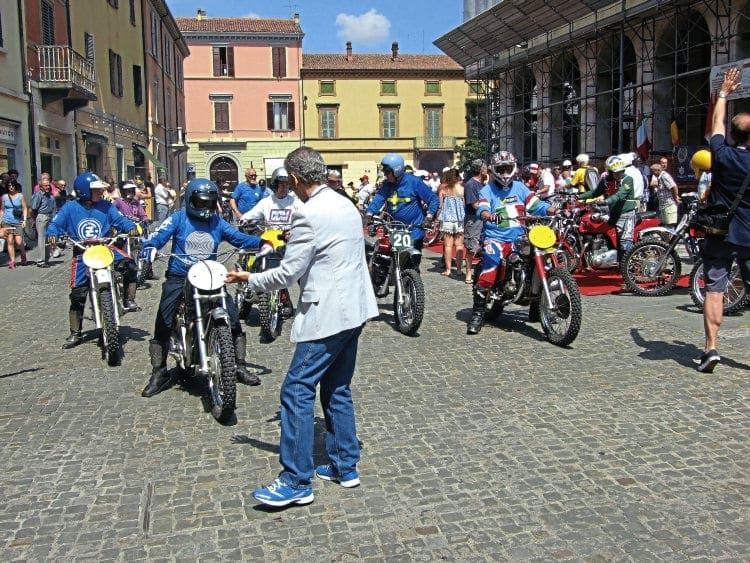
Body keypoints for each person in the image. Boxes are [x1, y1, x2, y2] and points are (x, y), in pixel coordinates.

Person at [225, 146, 378, 508]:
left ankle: (296, 479)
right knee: (337, 388)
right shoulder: (344, 203)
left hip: (327, 315)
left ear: (294, 180)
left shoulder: (308, 214)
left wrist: (248, 276)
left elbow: (286, 273)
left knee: (296, 390)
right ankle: (345, 465)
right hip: (354, 309)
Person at [139, 178, 264, 398]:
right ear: (190, 200)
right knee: (164, 318)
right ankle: (159, 372)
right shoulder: (178, 218)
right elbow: (158, 236)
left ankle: (239, 366)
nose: (205, 207)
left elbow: (239, 238)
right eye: (200, 202)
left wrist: (265, 241)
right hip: (180, 274)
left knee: (233, 317)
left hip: (210, 274)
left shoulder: (217, 222)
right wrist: (149, 247)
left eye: (209, 203)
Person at [467, 151, 558, 335]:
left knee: (539, 258)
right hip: (496, 237)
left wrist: (551, 209)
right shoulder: (487, 190)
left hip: (520, 236)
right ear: (494, 170)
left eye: (508, 168)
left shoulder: (521, 188)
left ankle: (537, 306)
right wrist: (488, 215)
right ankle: (478, 314)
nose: (506, 172)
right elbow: (482, 207)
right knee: (491, 266)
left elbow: (536, 205)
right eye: (502, 169)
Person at [46, 173, 141, 348]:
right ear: (83, 191)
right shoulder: (69, 208)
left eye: (100, 188)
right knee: (77, 293)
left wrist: (131, 228)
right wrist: (52, 233)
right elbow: (55, 224)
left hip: (106, 247)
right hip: (82, 253)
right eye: (95, 189)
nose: (100, 191)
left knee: (130, 265)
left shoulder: (107, 206)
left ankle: (128, 300)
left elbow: (120, 220)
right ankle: (76, 332)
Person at [697, 67, 750, 372]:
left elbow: (716, 125)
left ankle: (711, 348)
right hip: (748, 235)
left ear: (733, 135)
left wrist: (724, 94)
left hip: (719, 231)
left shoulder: (723, 154)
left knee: (715, 289)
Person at [364, 153, 439, 256]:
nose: (385, 175)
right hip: (395, 230)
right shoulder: (386, 184)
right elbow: (378, 199)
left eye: (387, 172)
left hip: (414, 230)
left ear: (396, 170)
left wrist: (429, 217)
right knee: (390, 259)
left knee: (412, 263)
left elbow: (433, 199)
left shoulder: (414, 182)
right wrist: (369, 214)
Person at [579, 156, 635, 253]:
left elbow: (620, 195)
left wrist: (606, 201)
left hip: (626, 214)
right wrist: (578, 196)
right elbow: (594, 192)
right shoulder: (606, 180)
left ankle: (629, 266)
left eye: (620, 171)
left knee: (625, 244)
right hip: (613, 214)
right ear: (609, 171)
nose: (619, 174)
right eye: (616, 172)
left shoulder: (627, 179)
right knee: (606, 236)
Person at [437, 168, 466, 277]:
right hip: (459, 220)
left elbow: (441, 206)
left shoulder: (444, 190)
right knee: (459, 245)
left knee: (448, 246)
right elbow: (464, 205)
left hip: (447, 220)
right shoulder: (462, 189)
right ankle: (458, 270)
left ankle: (448, 269)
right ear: (458, 177)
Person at [462, 159, 486, 284]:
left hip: (483, 218)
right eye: (485, 167)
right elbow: (474, 204)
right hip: (473, 219)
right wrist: (487, 212)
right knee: (472, 248)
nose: (487, 169)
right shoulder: (471, 184)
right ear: (481, 170)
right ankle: (468, 273)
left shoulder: (483, 183)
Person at [30, 174, 57, 267]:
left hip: (50, 217)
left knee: (48, 239)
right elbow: (33, 208)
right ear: (40, 187)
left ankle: (46, 259)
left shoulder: (51, 196)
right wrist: (33, 220)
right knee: (42, 239)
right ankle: (40, 261)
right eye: (45, 186)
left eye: (48, 185)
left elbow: (54, 208)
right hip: (41, 217)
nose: (48, 187)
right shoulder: (38, 195)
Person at [0, 178, 28, 268]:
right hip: (7, 221)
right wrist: (0, 221)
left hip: (18, 221)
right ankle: (12, 261)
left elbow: (24, 208)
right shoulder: (4, 197)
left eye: (12, 185)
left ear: (15, 186)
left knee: (19, 242)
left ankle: (23, 254)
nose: (11, 187)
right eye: (9, 186)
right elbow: (2, 210)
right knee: (10, 241)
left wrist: (24, 220)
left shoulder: (20, 196)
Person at [650, 162, 681, 227]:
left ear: (658, 170)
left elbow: (674, 186)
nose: (652, 173)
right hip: (664, 205)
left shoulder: (664, 176)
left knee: (670, 225)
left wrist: (676, 197)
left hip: (669, 204)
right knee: (665, 224)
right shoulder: (660, 177)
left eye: (653, 171)